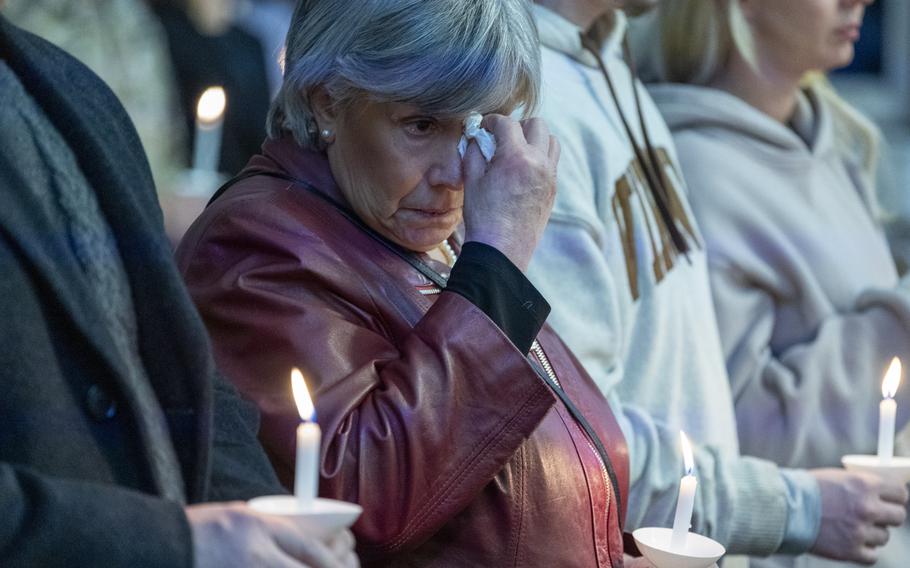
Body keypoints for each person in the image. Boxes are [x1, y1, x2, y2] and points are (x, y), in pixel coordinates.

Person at [176, 0, 631, 565]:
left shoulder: (417, 235)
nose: (452, 174)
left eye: (474, 129)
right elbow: (357, 505)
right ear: (328, 103)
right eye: (421, 125)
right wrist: (500, 263)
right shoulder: (257, 243)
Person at [524, 1, 907, 566]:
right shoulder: (534, 103)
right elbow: (577, 429)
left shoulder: (610, 70)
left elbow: (683, 392)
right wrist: (796, 509)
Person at [0, 14, 355, 568]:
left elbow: (183, 372)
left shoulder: (64, 83)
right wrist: (178, 544)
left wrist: (272, 532)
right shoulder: (266, 239)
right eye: (422, 124)